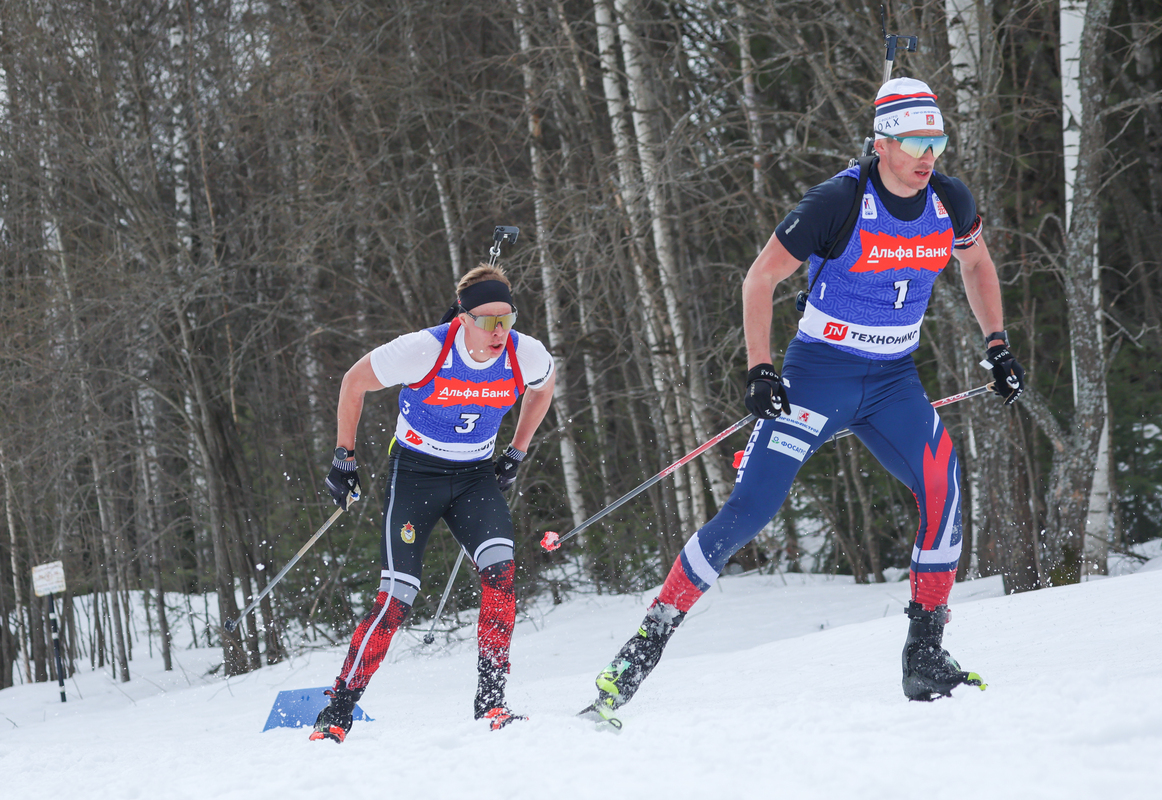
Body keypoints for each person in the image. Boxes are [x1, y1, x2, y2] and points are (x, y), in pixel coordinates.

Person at [583, 77, 1025, 719]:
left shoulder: (950, 199)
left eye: (936, 140)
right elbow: (759, 278)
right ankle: (642, 648)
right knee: (749, 511)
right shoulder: (837, 201)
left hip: (894, 382)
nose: (927, 154)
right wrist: (760, 369)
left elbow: (977, 264)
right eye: (913, 141)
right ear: (882, 143)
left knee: (943, 488)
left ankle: (924, 653)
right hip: (819, 376)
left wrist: (998, 345)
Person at [310, 263, 556, 742]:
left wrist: (517, 451)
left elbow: (544, 388)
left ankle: (492, 702)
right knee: (397, 598)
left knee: (501, 574)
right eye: (488, 321)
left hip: (474, 477)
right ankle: (338, 709)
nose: (499, 331)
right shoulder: (425, 349)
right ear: (462, 318)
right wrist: (344, 457)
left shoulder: (525, 353)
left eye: (507, 319)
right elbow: (353, 381)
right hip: (415, 477)